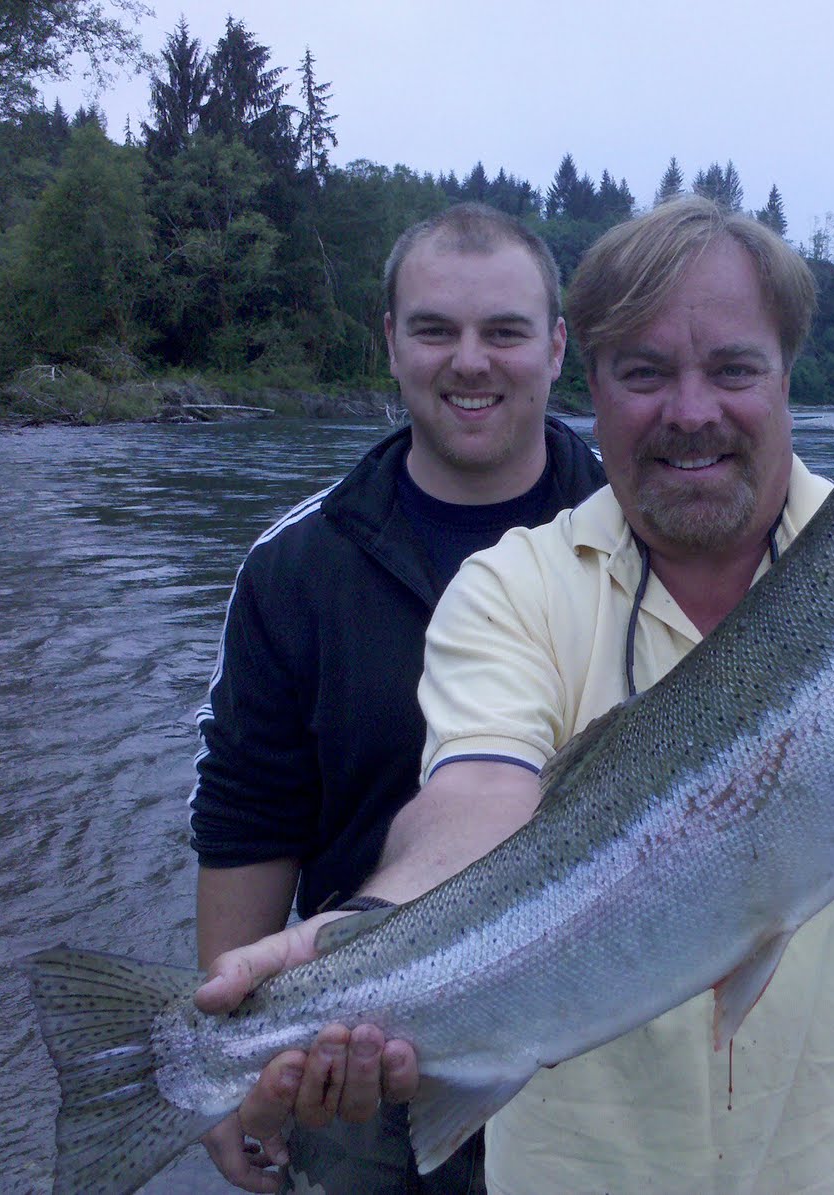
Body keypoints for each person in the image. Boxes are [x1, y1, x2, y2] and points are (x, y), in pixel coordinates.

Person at [196, 197, 834, 1193]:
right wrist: (364, 938)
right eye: (645, 373)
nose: (692, 410)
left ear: (786, 375)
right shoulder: (510, 585)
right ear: (592, 386)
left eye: (733, 369)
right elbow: (475, 803)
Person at [188, 201, 606, 1194]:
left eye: (503, 332)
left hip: (607, 1045)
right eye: (435, 330)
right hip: (364, 1064)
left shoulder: (646, 537)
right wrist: (227, 1060)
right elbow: (249, 810)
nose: (471, 361)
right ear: (389, 343)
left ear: (555, 348)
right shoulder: (295, 566)